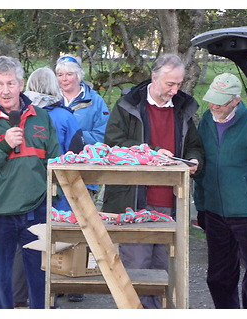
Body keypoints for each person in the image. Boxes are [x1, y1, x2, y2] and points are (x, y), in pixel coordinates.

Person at [102, 53, 204, 308]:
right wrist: (150, 152)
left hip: (171, 203)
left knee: (164, 271)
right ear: (154, 77)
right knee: (136, 271)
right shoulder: (127, 105)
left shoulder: (183, 109)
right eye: (170, 84)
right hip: (134, 202)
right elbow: (113, 145)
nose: (175, 90)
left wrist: (193, 161)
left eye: (179, 84)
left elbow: (194, 146)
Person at [0, 56, 60, 309]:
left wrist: (54, 200)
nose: (5, 91)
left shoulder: (41, 118)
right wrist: (3, 144)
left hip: (36, 210)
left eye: (11, 83)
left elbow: (55, 163)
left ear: (21, 84)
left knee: (41, 278)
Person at [194, 73, 247, 309]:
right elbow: (203, 167)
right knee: (218, 277)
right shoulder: (207, 121)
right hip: (215, 212)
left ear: (235, 100)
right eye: (211, 100)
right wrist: (201, 205)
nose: (213, 106)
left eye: (220, 102)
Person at [11, 67, 86, 307]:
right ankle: (50, 297)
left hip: (21, 190)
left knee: (23, 243)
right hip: (57, 190)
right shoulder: (64, 117)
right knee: (54, 243)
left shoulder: (16, 114)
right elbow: (76, 154)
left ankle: (18, 296)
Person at [55, 54, 109, 302]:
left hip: (85, 173)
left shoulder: (95, 101)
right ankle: (58, 278)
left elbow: (103, 135)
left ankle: (79, 279)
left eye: (69, 74)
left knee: (83, 226)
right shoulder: (51, 100)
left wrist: (76, 136)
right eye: (60, 74)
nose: (64, 79)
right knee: (58, 226)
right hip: (57, 173)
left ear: (79, 76)